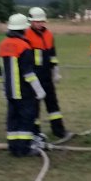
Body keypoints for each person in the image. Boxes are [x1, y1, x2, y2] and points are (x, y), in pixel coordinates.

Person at [0, 13, 46, 157]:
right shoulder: (24, 46)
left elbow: (0, 71)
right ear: (23, 29)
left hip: (10, 91)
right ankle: (24, 148)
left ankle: (13, 147)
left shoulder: (2, 45)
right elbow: (28, 73)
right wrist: (39, 90)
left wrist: (3, 89)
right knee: (25, 119)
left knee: (13, 119)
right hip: (24, 92)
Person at [25, 7, 70, 140]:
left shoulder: (49, 35)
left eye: (42, 21)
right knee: (34, 105)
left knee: (53, 104)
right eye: (37, 21)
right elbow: (25, 58)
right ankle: (35, 132)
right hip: (34, 75)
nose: (40, 24)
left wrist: (55, 71)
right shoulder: (26, 34)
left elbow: (52, 55)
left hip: (47, 75)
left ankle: (59, 130)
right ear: (31, 21)